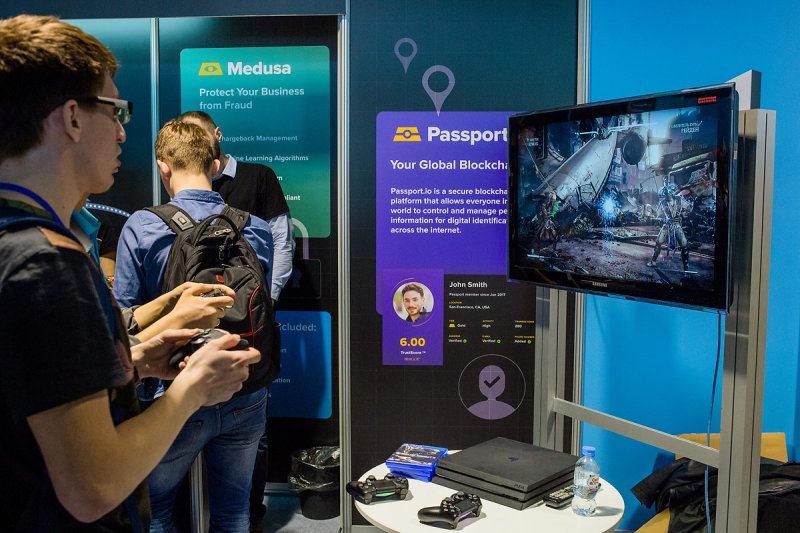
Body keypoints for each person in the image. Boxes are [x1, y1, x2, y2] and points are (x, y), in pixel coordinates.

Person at [0, 14, 259, 531]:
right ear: (72, 118)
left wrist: (136, 363)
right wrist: (194, 388)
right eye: (115, 110)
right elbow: (92, 487)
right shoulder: (46, 263)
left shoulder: (18, 241)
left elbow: (33, 393)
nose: (122, 132)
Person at [112, 119, 275, 532]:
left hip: (173, 390)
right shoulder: (255, 227)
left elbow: (126, 316)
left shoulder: (143, 225)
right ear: (215, 165)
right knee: (234, 510)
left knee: (157, 509)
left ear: (163, 166)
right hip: (243, 385)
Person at [180, 110, 294, 529]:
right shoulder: (181, 193)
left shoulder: (257, 177)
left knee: (250, 423)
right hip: (194, 328)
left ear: (216, 135)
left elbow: (281, 240)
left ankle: (252, 511)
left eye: (201, 136)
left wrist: (267, 299)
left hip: (249, 323)